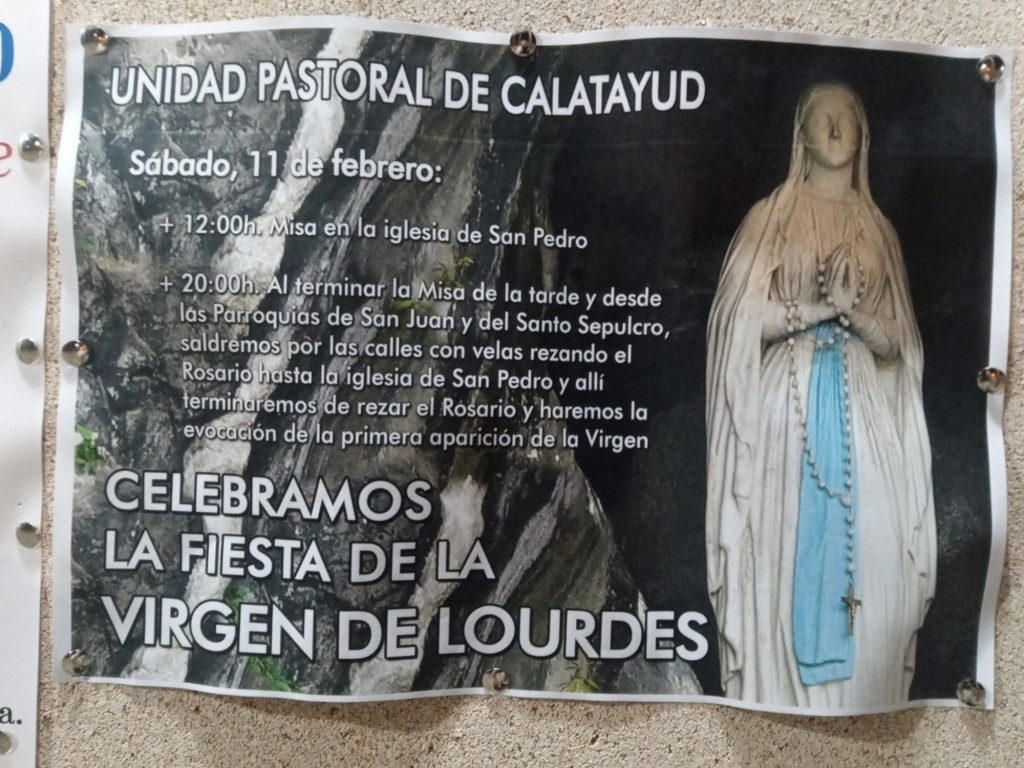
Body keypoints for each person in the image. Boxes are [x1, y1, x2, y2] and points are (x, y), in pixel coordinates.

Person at [705, 81, 936, 708]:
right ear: (800, 134)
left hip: (864, 413)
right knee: (781, 547)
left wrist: (854, 317)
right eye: (821, 119)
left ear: (863, 137)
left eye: (847, 120)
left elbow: (900, 344)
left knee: (880, 548)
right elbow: (736, 323)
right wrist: (814, 310)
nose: (835, 130)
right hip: (788, 411)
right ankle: (784, 695)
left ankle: (861, 700)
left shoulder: (878, 230)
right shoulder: (769, 218)